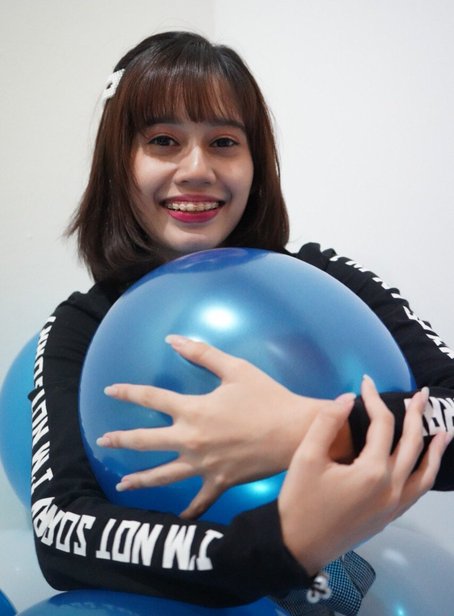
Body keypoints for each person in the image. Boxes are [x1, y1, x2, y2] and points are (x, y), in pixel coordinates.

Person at [29, 31, 454, 615]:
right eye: (163, 141)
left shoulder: (326, 282)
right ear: (119, 163)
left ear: (255, 163)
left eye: (224, 142)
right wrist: (281, 544)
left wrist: (309, 428)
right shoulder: (82, 326)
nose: (197, 169)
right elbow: (61, 532)